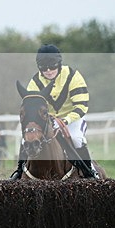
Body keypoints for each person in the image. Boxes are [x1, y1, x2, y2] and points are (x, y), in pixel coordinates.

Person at [11, 44, 99, 179]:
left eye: (52, 66)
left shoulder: (73, 76)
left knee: (76, 138)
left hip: (73, 119)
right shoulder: (35, 82)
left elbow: (81, 106)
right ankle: (19, 172)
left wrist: (65, 120)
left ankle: (90, 172)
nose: (48, 70)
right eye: (43, 67)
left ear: (59, 64)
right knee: (26, 140)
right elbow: (31, 110)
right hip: (47, 120)